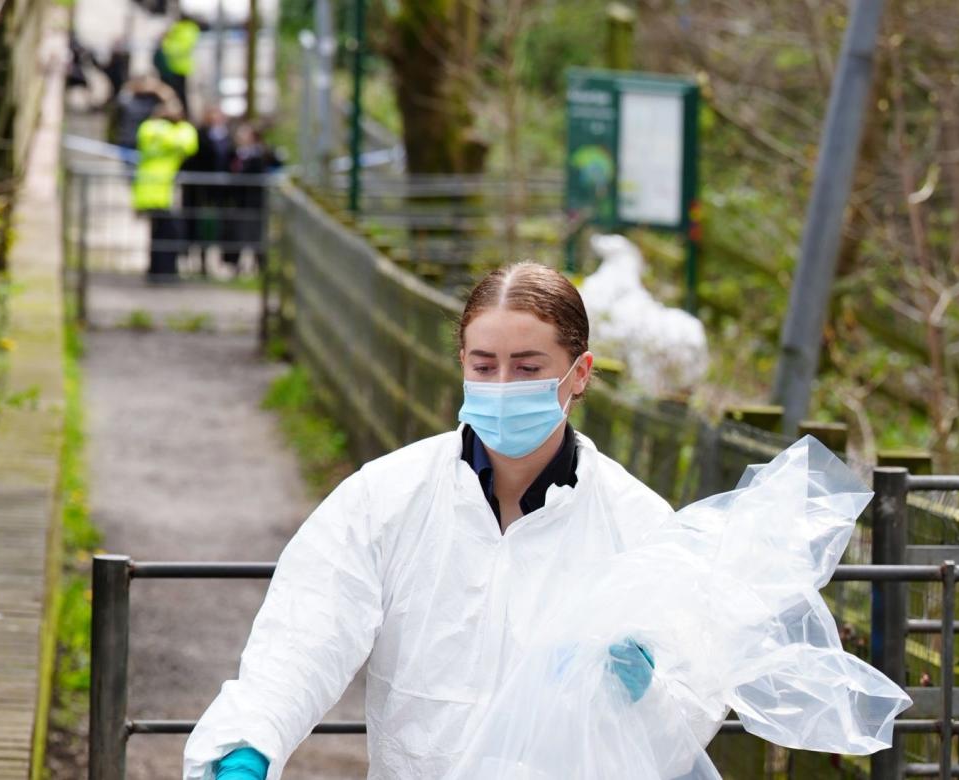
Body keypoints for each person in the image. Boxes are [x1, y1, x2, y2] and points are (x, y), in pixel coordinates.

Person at [182, 264, 724, 779]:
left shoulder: (637, 526)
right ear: (462, 361)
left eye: (529, 368)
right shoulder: (387, 498)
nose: (504, 385)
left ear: (579, 373)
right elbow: (303, 636)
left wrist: (649, 694)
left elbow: (687, 723)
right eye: (485, 366)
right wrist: (249, 746)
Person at [134, 102, 198, 280]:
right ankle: (164, 272)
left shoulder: (149, 129)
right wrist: (176, 122)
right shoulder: (161, 130)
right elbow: (187, 142)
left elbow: (189, 144)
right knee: (168, 235)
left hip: (153, 191)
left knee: (159, 234)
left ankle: (157, 271)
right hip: (160, 193)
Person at [181, 107, 234, 266]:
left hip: (219, 191)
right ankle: (198, 260)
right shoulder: (200, 135)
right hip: (200, 189)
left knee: (217, 225)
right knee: (198, 224)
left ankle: (218, 261)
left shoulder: (227, 137)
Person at [225, 123, 280, 274]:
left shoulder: (260, 154)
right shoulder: (238, 153)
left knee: (255, 233)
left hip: (254, 201)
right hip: (240, 201)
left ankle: (260, 266)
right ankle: (236, 265)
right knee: (238, 233)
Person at [154, 15, 201, 115]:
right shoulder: (178, 29)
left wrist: (165, 44)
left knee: (179, 94)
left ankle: (181, 113)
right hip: (171, 67)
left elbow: (179, 48)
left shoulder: (186, 30)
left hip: (177, 68)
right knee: (173, 93)